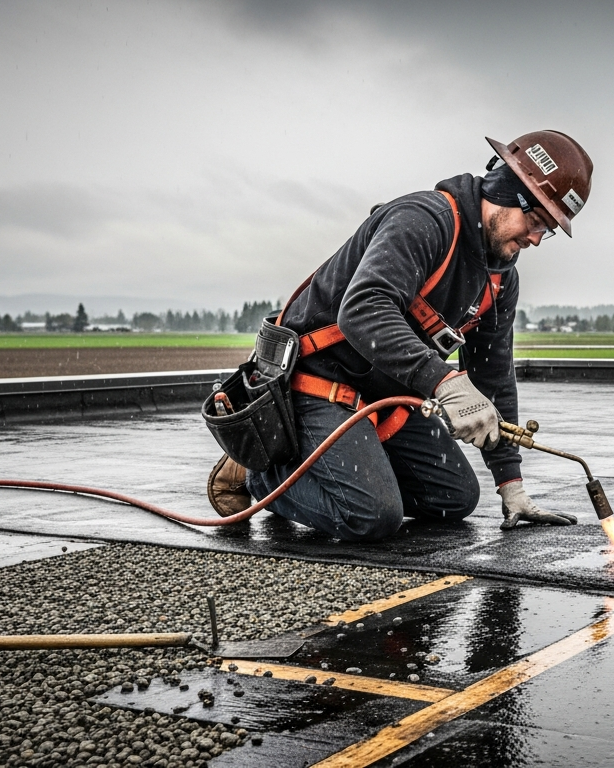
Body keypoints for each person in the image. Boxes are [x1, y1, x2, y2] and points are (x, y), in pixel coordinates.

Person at [207, 130, 594, 539]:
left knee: (454, 501)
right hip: (316, 384)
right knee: (371, 517)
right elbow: (362, 311)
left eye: (547, 230)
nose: (535, 239)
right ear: (503, 191)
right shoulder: (423, 221)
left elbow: (493, 376)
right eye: (534, 221)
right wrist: (444, 382)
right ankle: (261, 470)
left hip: (381, 401)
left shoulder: (499, 279)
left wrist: (510, 484)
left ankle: (345, 464)